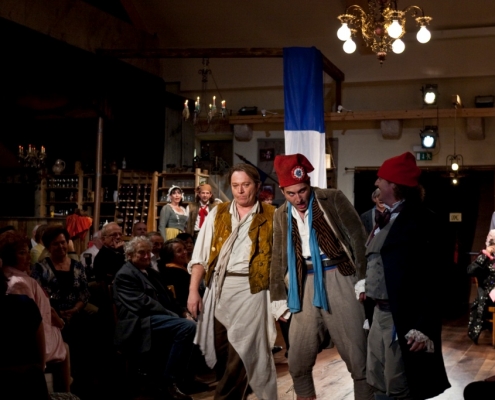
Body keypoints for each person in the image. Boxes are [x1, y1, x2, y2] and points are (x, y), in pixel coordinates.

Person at [270, 153, 372, 400]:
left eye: (302, 191)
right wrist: (278, 297)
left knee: (358, 355)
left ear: (309, 184)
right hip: (303, 281)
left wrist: (362, 278)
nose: (298, 198)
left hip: (339, 275)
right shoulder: (281, 214)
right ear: (283, 191)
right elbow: (278, 256)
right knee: (298, 357)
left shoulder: (332, 198)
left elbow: (358, 236)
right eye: (291, 193)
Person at [357, 152, 450, 399]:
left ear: (394, 185)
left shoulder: (423, 221)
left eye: (381, 179)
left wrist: (424, 326)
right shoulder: (381, 219)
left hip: (402, 317)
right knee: (376, 377)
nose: (376, 183)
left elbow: (436, 278)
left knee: (398, 383)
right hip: (378, 313)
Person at [187, 163, 278, 400]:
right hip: (219, 288)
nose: (240, 190)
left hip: (252, 289)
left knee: (242, 352)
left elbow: (281, 259)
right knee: (223, 352)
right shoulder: (218, 214)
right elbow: (200, 256)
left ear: (257, 186)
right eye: (235, 185)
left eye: (246, 184)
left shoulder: (272, 216)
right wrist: (193, 291)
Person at [113, 236, 196, 400]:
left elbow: (169, 298)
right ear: (129, 255)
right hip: (139, 321)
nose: (146, 256)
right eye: (141, 252)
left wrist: (183, 312)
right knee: (187, 327)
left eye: (148, 252)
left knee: (194, 323)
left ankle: (183, 380)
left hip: (157, 318)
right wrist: (173, 316)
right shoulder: (125, 274)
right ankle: (168, 382)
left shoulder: (151, 272)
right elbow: (144, 304)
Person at [0, 230, 71, 392]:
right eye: (22, 253)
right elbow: (30, 320)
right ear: (10, 256)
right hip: (30, 342)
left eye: (27, 252)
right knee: (65, 348)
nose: (28, 257)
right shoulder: (19, 282)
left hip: (37, 332)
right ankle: (65, 392)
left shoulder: (17, 276)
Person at [467, 229, 495, 344]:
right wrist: (486, 255)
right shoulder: (483, 257)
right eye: (492, 241)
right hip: (487, 294)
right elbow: (470, 271)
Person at [158, 238, 190, 308]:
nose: (185, 252)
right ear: (170, 255)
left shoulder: (183, 268)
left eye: (184, 249)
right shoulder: (172, 273)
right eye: (179, 251)